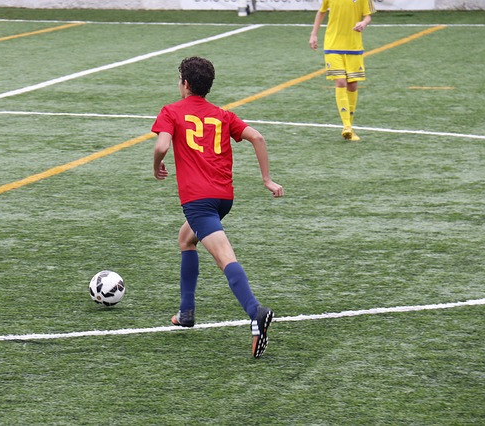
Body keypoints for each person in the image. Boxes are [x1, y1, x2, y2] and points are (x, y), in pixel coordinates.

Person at [151, 56, 285, 358]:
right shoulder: (222, 115)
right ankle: (186, 313)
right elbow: (257, 137)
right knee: (186, 239)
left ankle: (255, 312)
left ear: (185, 84)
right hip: (223, 198)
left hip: (198, 200)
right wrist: (266, 179)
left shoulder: (171, 111)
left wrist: (158, 165)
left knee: (225, 257)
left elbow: (161, 145)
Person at [309, 0, 375, 141]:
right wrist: (313, 34)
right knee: (340, 82)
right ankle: (347, 127)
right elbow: (321, 11)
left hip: (353, 46)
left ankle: (349, 126)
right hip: (332, 45)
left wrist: (363, 23)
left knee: (352, 85)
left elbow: (368, 16)